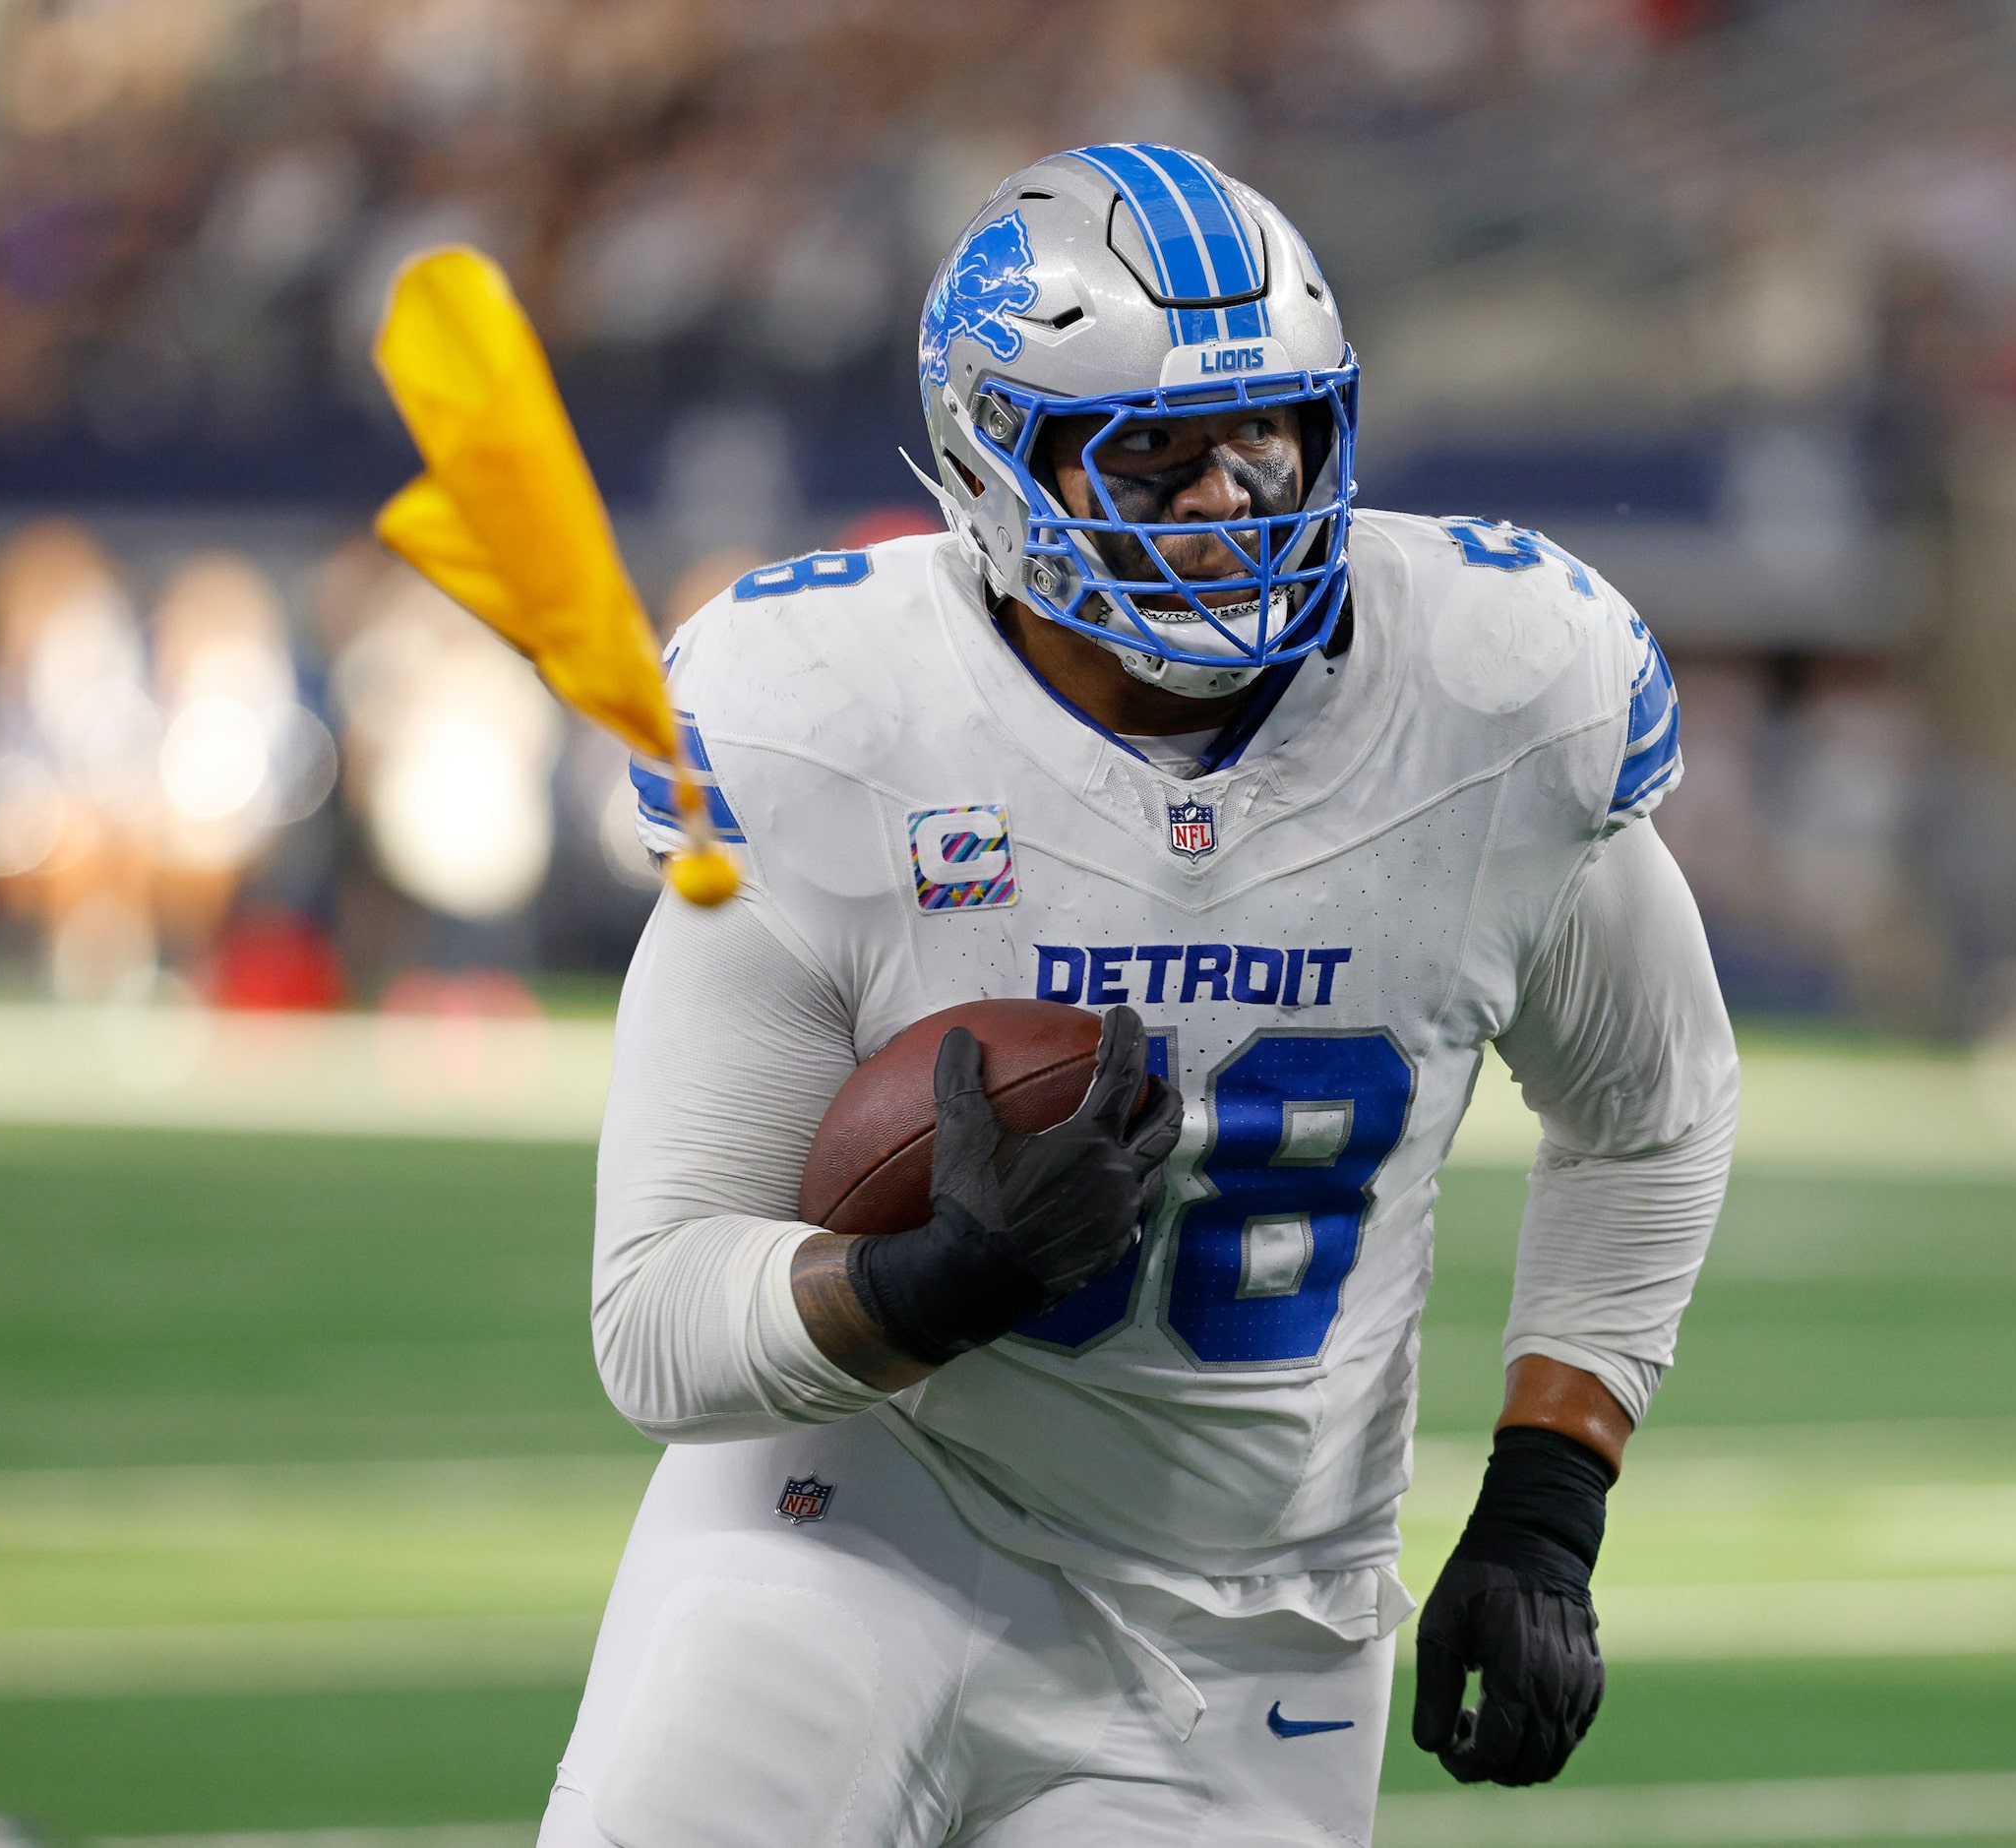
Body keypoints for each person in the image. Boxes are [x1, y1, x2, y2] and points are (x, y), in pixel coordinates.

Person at [542, 144, 1737, 1847]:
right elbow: (658, 1315)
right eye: (1156, 453)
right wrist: (929, 1278)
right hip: (857, 1518)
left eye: (1270, 435)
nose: (1234, 497)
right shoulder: (824, 713)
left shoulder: (1496, 692)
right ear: (994, 461)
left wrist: (1549, 1503)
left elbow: (1652, 1112)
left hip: (1249, 1620)